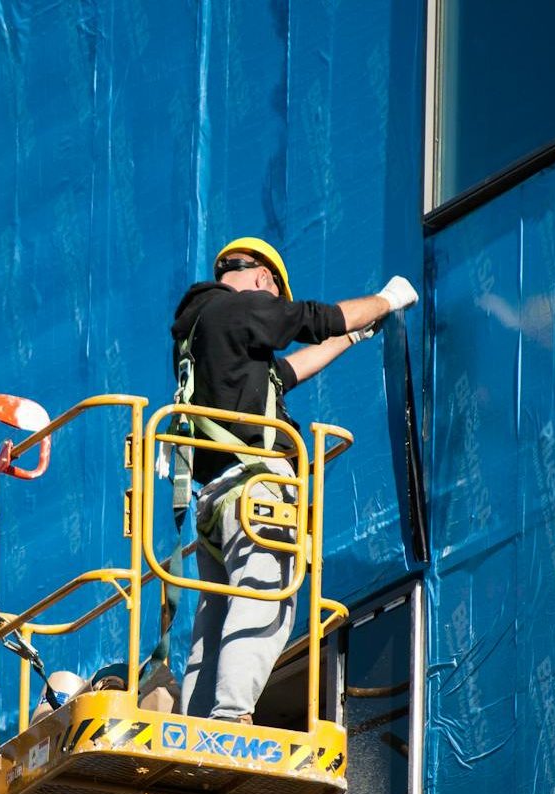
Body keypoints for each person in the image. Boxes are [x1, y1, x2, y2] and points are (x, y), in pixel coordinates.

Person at [171, 237, 416, 723]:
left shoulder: (205, 334)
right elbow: (314, 319)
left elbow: (287, 370)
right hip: (255, 492)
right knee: (267, 599)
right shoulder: (240, 309)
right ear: (263, 280)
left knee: (215, 621)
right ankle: (230, 717)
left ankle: (197, 729)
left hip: (217, 502)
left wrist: (353, 338)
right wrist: (387, 300)